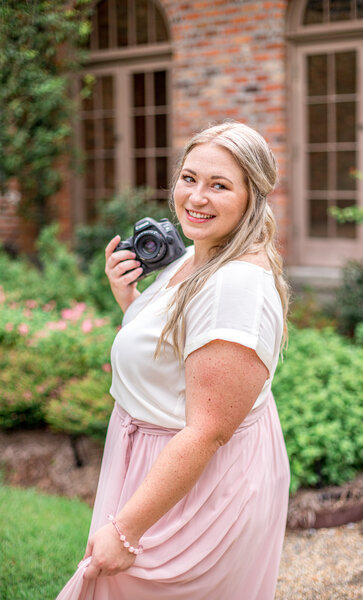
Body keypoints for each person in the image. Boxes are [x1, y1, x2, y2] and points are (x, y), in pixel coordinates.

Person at [56, 121, 290, 600]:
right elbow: (181, 353)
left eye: (219, 185)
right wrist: (132, 301)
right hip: (161, 466)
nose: (196, 198)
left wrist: (126, 531)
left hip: (193, 486)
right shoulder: (201, 254)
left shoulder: (234, 286)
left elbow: (208, 430)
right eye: (189, 178)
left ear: (253, 196)